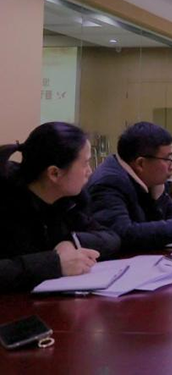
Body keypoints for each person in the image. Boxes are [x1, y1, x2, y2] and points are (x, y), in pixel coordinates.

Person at [0, 122, 120, 292]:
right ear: (54, 173)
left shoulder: (67, 201)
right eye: (85, 163)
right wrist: (55, 264)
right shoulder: (7, 201)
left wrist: (71, 242)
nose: (90, 171)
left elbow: (111, 237)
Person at [87, 122, 172, 251]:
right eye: (168, 159)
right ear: (141, 164)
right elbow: (122, 234)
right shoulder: (108, 182)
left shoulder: (150, 180)